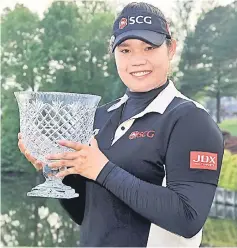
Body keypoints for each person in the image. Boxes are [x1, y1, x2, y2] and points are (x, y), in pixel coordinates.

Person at [18, 2, 224, 247]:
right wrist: (58, 174)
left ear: (171, 49)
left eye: (149, 47)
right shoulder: (100, 117)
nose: (137, 60)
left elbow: (188, 218)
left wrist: (101, 169)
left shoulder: (191, 120)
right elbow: (87, 215)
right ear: (113, 53)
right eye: (125, 50)